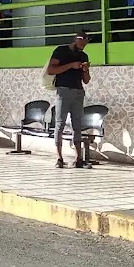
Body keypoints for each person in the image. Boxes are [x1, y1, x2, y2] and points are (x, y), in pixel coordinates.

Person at [46, 31, 92, 169]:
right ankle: (59, 158)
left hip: (78, 91)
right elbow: (50, 70)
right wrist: (71, 65)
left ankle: (79, 158)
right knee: (59, 123)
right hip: (63, 90)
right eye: (81, 41)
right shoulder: (61, 51)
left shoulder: (83, 55)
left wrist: (85, 70)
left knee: (77, 124)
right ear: (75, 39)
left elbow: (86, 80)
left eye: (85, 42)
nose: (83, 44)